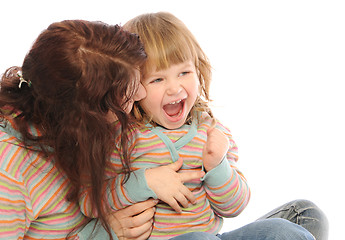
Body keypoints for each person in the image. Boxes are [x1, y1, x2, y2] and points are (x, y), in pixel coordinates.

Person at [80, 12, 327, 240]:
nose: (175, 88)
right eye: (157, 79)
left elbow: (233, 206)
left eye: (184, 73)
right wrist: (144, 182)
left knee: (300, 219)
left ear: (198, 70)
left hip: (213, 237)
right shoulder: (121, 136)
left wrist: (217, 166)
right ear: (133, 87)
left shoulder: (211, 131)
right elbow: (90, 201)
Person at [0, 19, 176, 240]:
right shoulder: (0, 172)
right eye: (127, 94)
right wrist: (100, 235)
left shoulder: (74, 127)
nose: (141, 94)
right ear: (84, 115)